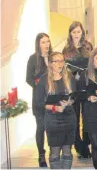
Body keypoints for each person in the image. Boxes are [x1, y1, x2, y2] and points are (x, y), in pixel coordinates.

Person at [35, 52, 77, 169]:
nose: (60, 64)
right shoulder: (43, 80)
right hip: (52, 119)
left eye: (62, 61)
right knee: (55, 151)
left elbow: (74, 97)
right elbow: (38, 103)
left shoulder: (69, 77)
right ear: (50, 64)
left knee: (68, 150)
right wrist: (55, 107)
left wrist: (69, 102)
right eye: (57, 61)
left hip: (69, 117)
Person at [62, 21, 93, 158]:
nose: (76, 35)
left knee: (86, 116)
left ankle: (86, 144)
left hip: (85, 85)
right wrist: (73, 72)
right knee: (75, 117)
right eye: (73, 32)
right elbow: (64, 69)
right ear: (70, 33)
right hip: (73, 87)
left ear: (82, 32)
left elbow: (93, 64)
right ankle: (78, 144)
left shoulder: (88, 46)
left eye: (78, 32)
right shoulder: (66, 50)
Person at [26, 33, 52, 167]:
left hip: (53, 98)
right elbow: (29, 78)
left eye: (48, 41)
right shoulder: (33, 58)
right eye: (43, 42)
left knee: (52, 127)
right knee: (41, 127)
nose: (46, 44)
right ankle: (41, 155)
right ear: (38, 44)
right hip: (39, 100)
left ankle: (54, 152)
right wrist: (39, 85)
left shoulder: (53, 57)